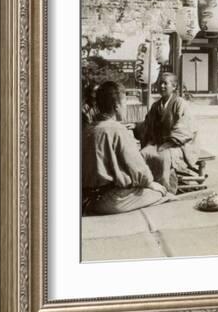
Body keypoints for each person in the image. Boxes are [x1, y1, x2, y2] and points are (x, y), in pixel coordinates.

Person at [82, 81, 173, 215]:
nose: (126, 107)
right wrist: (151, 183)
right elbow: (138, 168)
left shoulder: (87, 129)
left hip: (87, 198)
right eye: (125, 103)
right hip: (112, 199)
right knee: (163, 193)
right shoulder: (117, 129)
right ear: (116, 106)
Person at [140, 72, 199, 194]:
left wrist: (168, 143)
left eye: (165, 83)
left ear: (174, 86)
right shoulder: (156, 105)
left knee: (163, 157)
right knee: (143, 154)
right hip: (159, 143)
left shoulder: (180, 103)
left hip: (179, 145)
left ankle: (166, 190)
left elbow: (185, 128)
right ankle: (147, 185)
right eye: (160, 83)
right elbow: (147, 125)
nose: (161, 86)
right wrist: (136, 126)